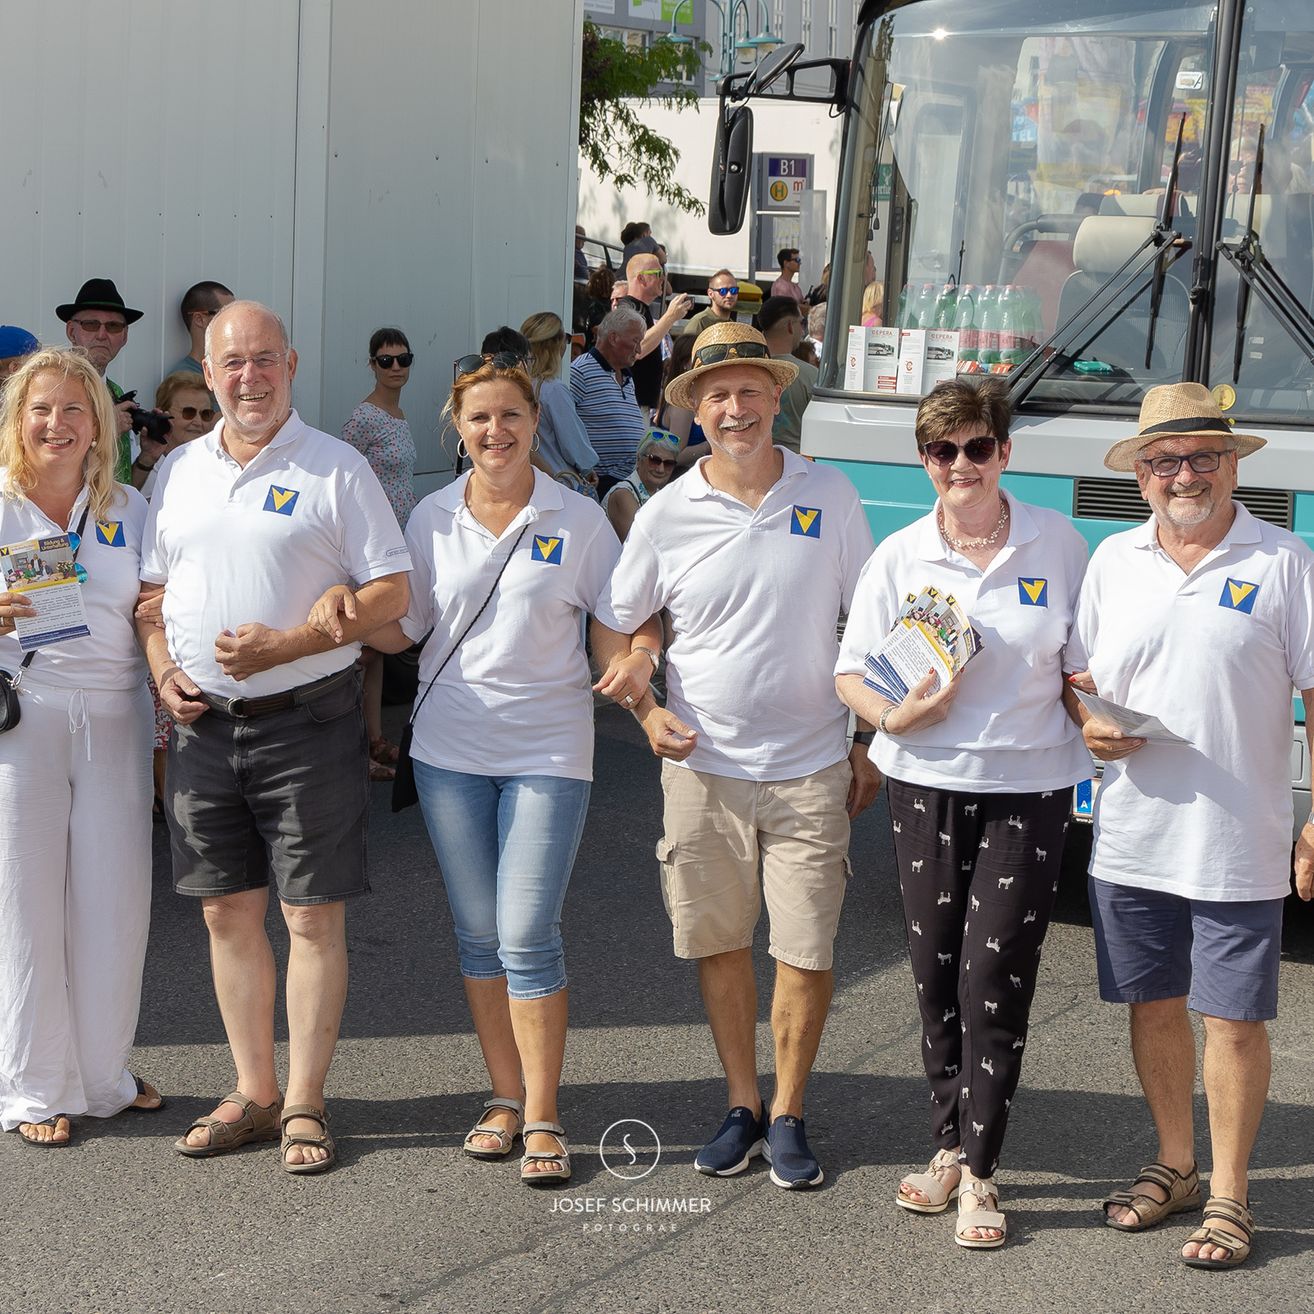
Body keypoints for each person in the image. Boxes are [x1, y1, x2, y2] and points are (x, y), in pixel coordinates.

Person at [315, 357, 621, 1185]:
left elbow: (615, 620)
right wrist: (336, 612)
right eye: (480, 419)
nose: (496, 433)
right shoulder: (430, 518)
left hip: (550, 752)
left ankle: (547, 1114)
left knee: (527, 932)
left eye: (511, 417)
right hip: (449, 752)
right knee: (480, 934)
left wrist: (632, 674)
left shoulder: (581, 519)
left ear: (533, 420)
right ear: (458, 428)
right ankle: (505, 1096)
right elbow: (402, 630)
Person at [592, 321, 879, 1190]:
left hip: (810, 764)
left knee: (804, 950)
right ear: (695, 411)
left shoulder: (830, 494)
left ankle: (790, 1111)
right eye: (717, 395)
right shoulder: (668, 511)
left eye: (751, 389)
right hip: (704, 769)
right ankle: (743, 1103)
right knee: (719, 944)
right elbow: (623, 623)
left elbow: (870, 626)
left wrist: (869, 741)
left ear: (775, 395)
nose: (736, 407)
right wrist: (643, 703)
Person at [136, 300, 410, 1175]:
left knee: (309, 916)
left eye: (264, 360)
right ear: (206, 373)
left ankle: (303, 1101)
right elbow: (150, 598)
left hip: (309, 723)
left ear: (290, 363)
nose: (249, 377)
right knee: (226, 913)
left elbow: (392, 595)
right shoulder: (174, 473)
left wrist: (289, 645)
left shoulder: (336, 469)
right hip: (203, 728)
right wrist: (161, 669)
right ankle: (253, 1092)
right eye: (231, 364)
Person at [835, 377, 1091, 1249]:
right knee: (936, 975)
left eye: (978, 448)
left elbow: (1082, 668)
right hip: (925, 787)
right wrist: (891, 718)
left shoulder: (1058, 542)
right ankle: (947, 1144)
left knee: (996, 977)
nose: (961, 465)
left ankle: (980, 1173)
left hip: (1030, 790)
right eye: (943, 451)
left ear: (1005, 453)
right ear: (926, 461)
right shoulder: (901, 555)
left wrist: (1103, 721)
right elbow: (853, 676)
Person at [1069, 382, 1314, 1270]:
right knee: (1155, 1007)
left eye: (1202, 457)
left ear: (1231, 466)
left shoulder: (1283, 560)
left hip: (1239, 838)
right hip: (1133, 835)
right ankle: (1175, 1163)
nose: (1185, 474)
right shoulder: (1113, 561)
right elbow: (1080, 674)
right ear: (1140, 475)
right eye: (1166, 460)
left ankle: (1229, 1195)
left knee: (1236, 1022)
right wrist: (1087, 722)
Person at [0, 348, 163, 1146]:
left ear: (99, 422)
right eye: (42, 410)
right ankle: (32, 1088)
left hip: (114, 721)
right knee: (24, 906)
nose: (57, 424)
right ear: (16, 420)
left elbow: (158, 605)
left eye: (74, 409)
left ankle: (103, 1075)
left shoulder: (129, 508)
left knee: (115, 902)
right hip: (22, 722)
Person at [139, 370, 220, 815]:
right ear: (164, 414)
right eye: (187, 412)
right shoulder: (150, 467)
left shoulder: (216, 467)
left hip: (195, 614)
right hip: (154, 613)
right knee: (162, 727)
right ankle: (171, 811)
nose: (199, 421)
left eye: (207, 412)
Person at [341, 327, 419, 781]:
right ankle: (351, 748)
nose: (396, 368)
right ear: (371, 364)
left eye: (403, 359)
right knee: (363, 651)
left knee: (379, 650)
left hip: (396, 543)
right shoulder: (364, 417)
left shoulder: (399, 413)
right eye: (386, 360)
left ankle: (373, 737)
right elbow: (342, 479)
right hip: (367, 546)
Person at [56, 278, 141, 483]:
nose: (102, 335)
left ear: (125, 336)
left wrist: (148, 458)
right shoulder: (53, 388)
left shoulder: (116, 392)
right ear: (71, 332)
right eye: (91, 325)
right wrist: (105, 429)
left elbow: (124, 483)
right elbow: (48, 463)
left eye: (113, 326)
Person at [569, 306, 647, 496]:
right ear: (613, 338)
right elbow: (564, 427)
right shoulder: (580, 372)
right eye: (636, 341)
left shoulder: (627, 377)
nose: (639, 350)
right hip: (601, 483)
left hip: (630, 480)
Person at [520, 311, 599, 493]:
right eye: (566, 338)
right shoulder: (553, 390)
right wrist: (588, 468)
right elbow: (574, 446)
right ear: (556, 345)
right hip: (557, 484)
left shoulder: (517, 386)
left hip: (527, 481)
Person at [620, 255, 693, 413]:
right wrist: (670, 317)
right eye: (658, 274)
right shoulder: (627, 308)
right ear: (641, 278)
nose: (663, 279)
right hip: (631, 406)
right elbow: (638, 348)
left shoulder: (641, 309)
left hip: (640, 405)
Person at [758, 296, 818, 455]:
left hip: (757, 460)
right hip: (798, 462)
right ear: (791, 326)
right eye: (802, 322)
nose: (803, 330)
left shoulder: (750, 370)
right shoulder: (810, 375)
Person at [602, 428, 680, 541]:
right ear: (639, 459)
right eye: (654, 460)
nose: (660, 469)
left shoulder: (660, 494)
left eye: (669, 463)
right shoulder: (623, 494)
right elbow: (639, 543)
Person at [166, 280, 235, 378]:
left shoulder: (239, 371)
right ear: (199, 319)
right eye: (227, 314)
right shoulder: (184, 381)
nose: (236, 321)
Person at [682, 270, 741, 338]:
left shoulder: (734, 326)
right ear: (710, 294)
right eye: (723, 291)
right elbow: (686, 348)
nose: (729, 295)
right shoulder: (699, 322)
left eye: (734, 290)